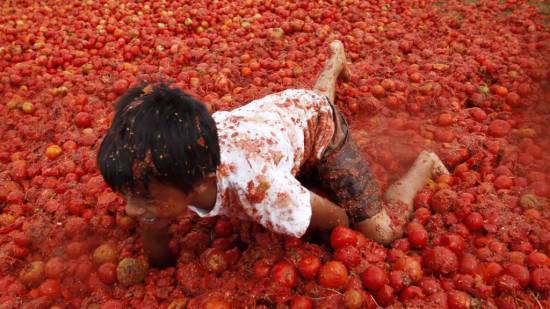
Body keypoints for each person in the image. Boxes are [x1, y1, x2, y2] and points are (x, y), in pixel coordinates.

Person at [97, 41, 448, 267]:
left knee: (381, 233)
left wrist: (335, 229)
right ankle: (332, 69)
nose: (130, 208)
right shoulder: (162, 160)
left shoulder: (261, 191)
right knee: (309, 103)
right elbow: (156, 250)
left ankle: (425, 164)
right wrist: (154, 232)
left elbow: (336, 217)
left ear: (199, 182)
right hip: (277, 115)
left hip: (318, 130)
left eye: (142, 198)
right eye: (127, 195)